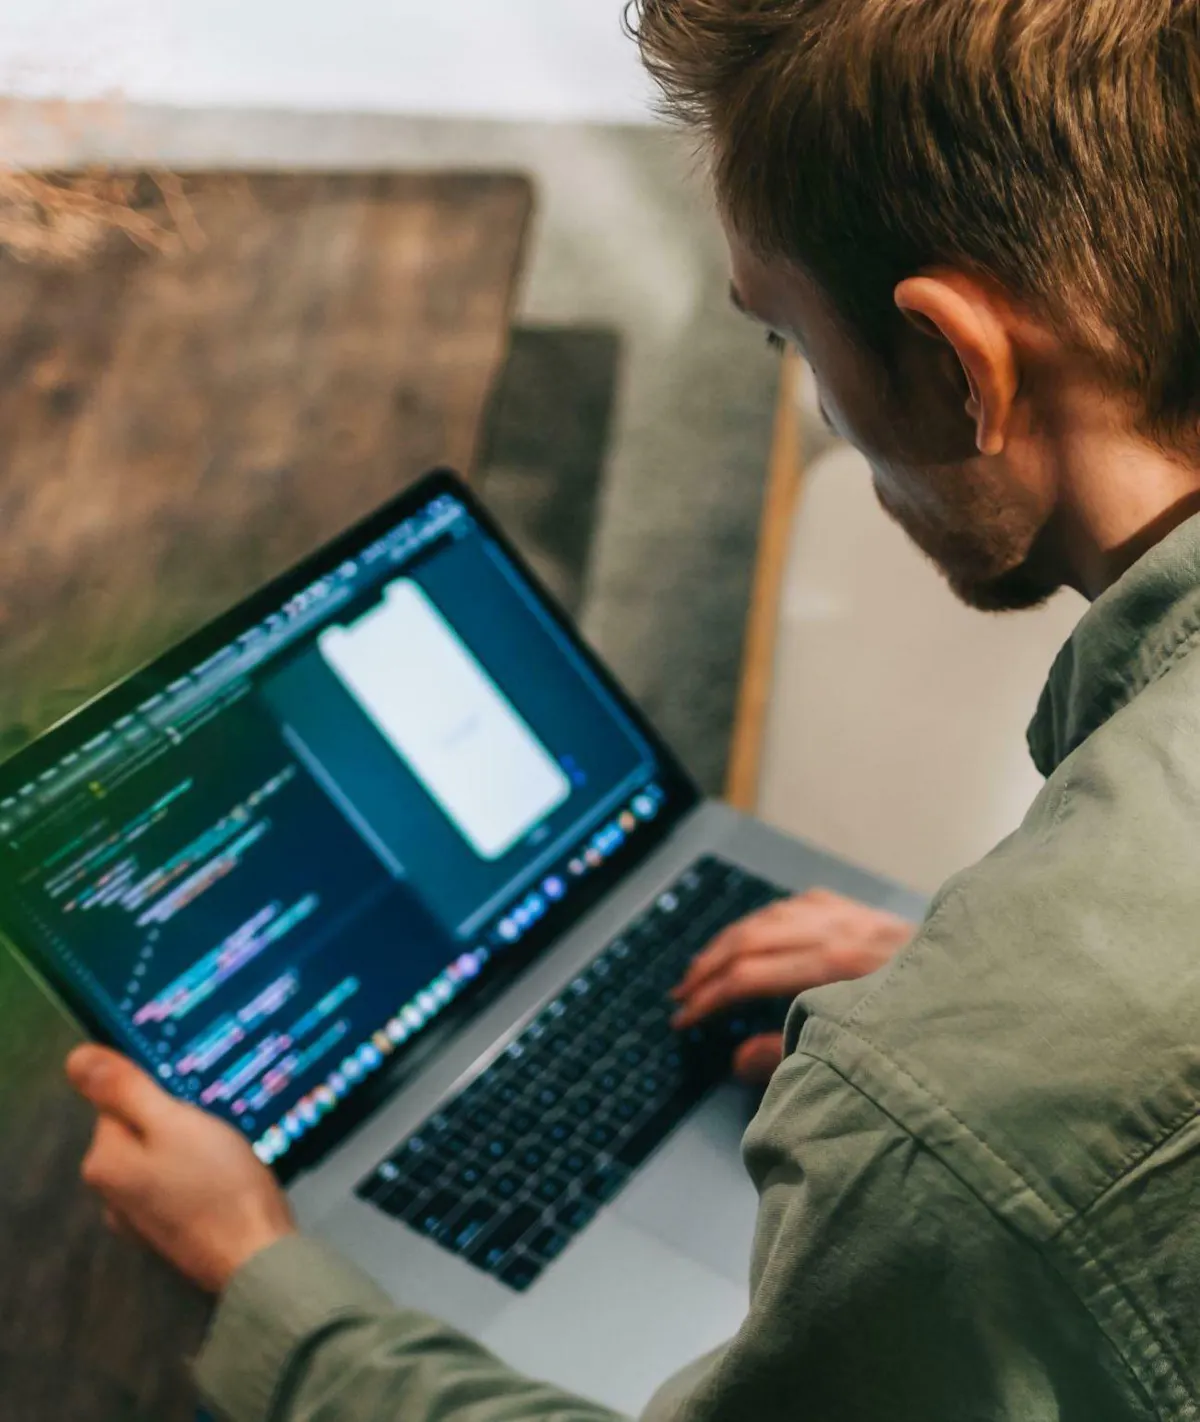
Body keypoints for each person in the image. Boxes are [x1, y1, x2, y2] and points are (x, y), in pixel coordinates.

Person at [65, 0, 1200, 1416]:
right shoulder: (980, 1061)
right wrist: (965, 994)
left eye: (787, 341)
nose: (813, 406)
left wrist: (260, 1281)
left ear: (958, 364)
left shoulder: (947, 1109)